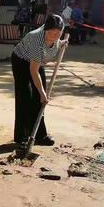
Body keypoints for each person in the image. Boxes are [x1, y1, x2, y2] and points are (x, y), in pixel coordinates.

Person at [11, 14, 68, 146]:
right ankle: (22, 137)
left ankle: (40, 135)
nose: (55, 36)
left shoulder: (55, 37)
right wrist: (42, 93)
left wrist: (61, 43)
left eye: (58, 33)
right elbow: (33, 71)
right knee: (25, 96)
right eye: (52, 33)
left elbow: (55, 42)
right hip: (21, 61)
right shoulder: (36, 40)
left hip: (37, 63)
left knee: (39, 101)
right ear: (45, 30)